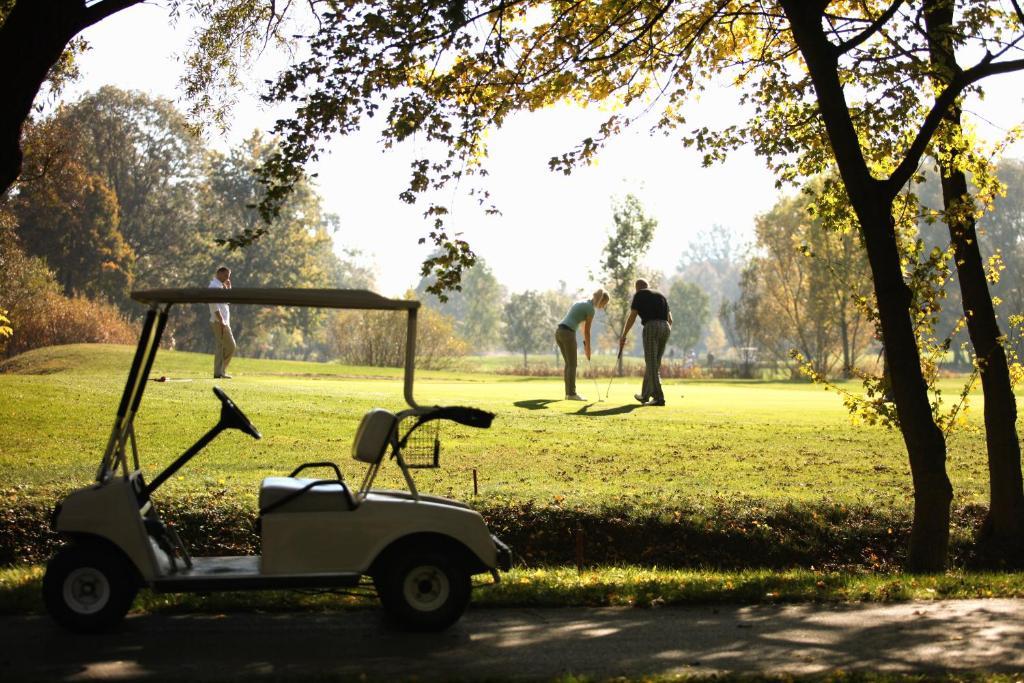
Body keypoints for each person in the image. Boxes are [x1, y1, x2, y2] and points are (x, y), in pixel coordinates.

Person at [619, 279, 672, 406]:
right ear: (648, 286)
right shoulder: (661, 295)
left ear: (637, 288)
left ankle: (659, 397)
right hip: (666, 327)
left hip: (651, 326)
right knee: (655, 362)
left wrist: (624, 335)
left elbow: (632, 316)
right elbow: (670, 319)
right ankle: (645, 395)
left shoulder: (639, 294)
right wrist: (664, 330)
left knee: (651, 362)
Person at [556, 288, 609, 400]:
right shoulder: (590, 309)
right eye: (604, 303)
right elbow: (587, 330)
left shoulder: (583, 302)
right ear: (601, 299)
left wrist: (585, 345)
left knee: (568, 364)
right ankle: (571, 394)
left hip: (559, 332)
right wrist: (588, 349)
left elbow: (582, 327)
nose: (603, 306)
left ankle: (568, 393)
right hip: (568, 333)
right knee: (573, 364)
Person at [209, 266, 236, 379]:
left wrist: (228, 289)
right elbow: (214, 306)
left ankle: (218, 373)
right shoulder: (214, 286)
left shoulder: (220, 285)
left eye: (228, 276)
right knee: (231, 346)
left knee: (220, 347)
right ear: (219, 273)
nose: (227, 278)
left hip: (223, 321)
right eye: (225, 275)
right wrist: (221, 320)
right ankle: (221, 371)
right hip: (219, 321)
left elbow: (226, 302)